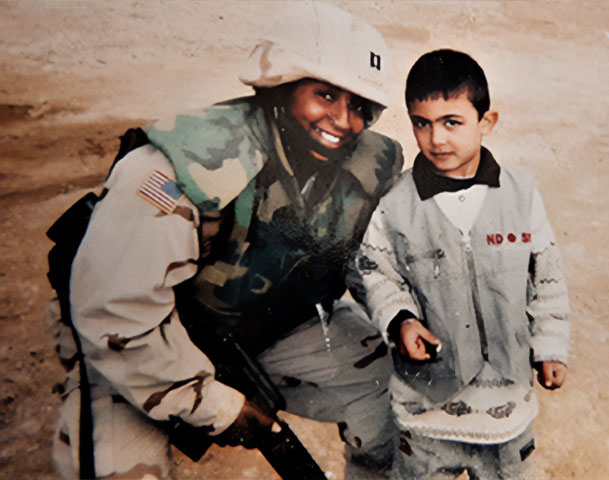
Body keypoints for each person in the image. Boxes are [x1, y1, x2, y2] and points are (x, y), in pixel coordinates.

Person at [49, 2, 404, 479]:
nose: (343, 120)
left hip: (262, 328)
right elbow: (115, 317)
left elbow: (374, 261)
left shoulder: (366, 165)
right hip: (138, 346)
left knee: (396, 386)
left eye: (360, 106)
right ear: (280, 84)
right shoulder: (178, 168)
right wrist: (216, 406)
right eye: (325, 95)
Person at [351, 49, 571, 479]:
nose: (437, 139)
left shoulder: (521, 194)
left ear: (486, 123)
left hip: (506, 411)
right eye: (422, 123)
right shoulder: (395, 204)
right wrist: (402, 321)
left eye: (453, 122)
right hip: (426, 411)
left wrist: (550, 347)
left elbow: (546, 275)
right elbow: (375, 272)